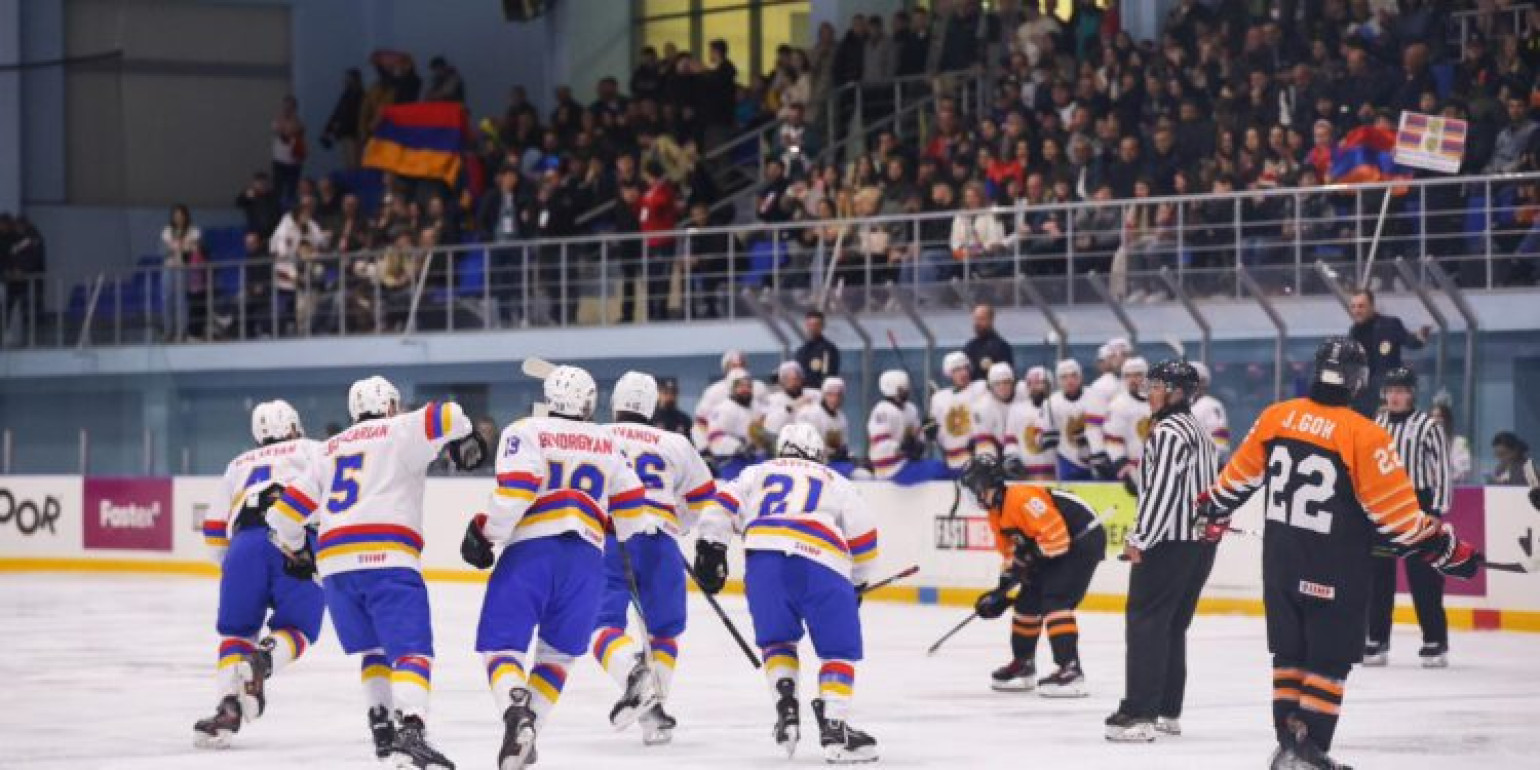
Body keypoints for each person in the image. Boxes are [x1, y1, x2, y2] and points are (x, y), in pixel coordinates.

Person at [1196, 338, 1479, 769]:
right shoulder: (1364, 434)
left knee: (1289, 656)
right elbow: (1398, 518)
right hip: (1333, 567)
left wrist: (1212, 508)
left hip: (1279, 565)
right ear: (1359, 380)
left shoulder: (1277, 416)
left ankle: (1289, 746)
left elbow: (1234, 480)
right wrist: (1445, 547)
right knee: (1327, 661)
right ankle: (1309, 752)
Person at [266, 376, 479, 768]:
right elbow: (447, 413)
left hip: (335, 567)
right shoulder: (400, 428)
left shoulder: (328, 448)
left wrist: (297, 549)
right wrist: (463, 436)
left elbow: (281, 514)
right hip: (388, 558)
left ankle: (381, 726)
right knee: (412, 651)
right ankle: (410, 730)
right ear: (391, 405)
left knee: (375, 648)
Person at [458, 365, 647, 769]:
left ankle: (516, 714)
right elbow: (632, 508)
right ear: (588, 402)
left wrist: (485, 532)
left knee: (501, 647)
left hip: (531, 553)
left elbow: (518, 490)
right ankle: (528, 735)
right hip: (586, 562)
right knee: (557, 657)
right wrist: (610, 525)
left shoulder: (526, 429)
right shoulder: (608, 442)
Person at [694, 423, 881, 763]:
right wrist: (857, 583)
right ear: (816, 453)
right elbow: (864, 538)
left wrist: (712, 550)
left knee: (778, 640)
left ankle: (787, 711)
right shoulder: (833, 479)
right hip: (820, 561)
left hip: (763, 561)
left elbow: (719, 505)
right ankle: (835, 729)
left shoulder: (757, 472)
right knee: (838, 648)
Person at [588, 372, 722, 745]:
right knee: (664, 630)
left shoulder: (596, 436)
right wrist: (675, 526)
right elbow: (703, 497)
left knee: (600, 624)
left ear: (615, 402)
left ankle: (634, 676)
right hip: (659, 542)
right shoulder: (675, 442)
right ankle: (654, 711)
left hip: (612, 539)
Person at [192, 401, 326, 749]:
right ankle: (263, 660)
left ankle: (229, 707)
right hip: (293, 540)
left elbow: (212, 531)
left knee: (237, 632)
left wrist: (235, 564)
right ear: (294, 426)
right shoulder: (312, 449)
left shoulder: (237, 464)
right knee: (299, 627)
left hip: (243, 545)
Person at [1105, 360, 1219, 742]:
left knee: (1146, 622)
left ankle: (1140, 713)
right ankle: (1168, 710)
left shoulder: (1168, 431)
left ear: (1176, 392)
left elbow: (1163, 493)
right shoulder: (1197, 429)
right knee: (1173, 626)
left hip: (1169, 543)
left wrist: (1141, 537)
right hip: (1198, 546)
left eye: (1157, 386)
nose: (1149, 392)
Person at [961, 455, 1105, 697]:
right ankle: (1023, 664)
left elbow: (1058, 539)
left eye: (973, 488)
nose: (972, 495)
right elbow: (1011, 556)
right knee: (1027, 601)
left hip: (1083, 540)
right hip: (1054, 548)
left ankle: (1070, 669)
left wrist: (1031, 556)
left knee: (1055, 599)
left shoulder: (1021, 498)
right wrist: (1000, 594)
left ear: (984, 485)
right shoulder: (996, 514)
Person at [1365, 367, 1452, 668]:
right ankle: (1376, 640)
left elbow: (1441, 471)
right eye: (1391, 391)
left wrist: (1436, 512)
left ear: (1412, 394)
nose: (1395, 396)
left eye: (1401, 391)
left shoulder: (1429, 426)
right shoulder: (1378, 423)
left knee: (1423, 578)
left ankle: (1434, 640)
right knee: (1379, 580)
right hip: (1383, 508)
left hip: (1417, 506)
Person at [1347, 290, 1429, 416]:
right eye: (1353, 307)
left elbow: (1409, 340)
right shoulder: (1353, 333)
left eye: (1361, 306)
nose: (1357, 310)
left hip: (1388, 396)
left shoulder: (1389, 324)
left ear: (1372, 306)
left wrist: (1420, 337)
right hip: (1362, 401)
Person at [1044, 359, 1111, 481]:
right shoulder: (1051, 403)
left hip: (1099, 459)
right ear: (1058, 381)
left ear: (1081, 377)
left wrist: (1100, 452)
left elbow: (1104, 429)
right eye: (1064, 377)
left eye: (1074, 375)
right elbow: (1046, 436)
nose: (1070, 381)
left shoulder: (1096, 397)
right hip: (1067, 460)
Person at [929, 351, 986, 473]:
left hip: (976, 460)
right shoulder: (939, 398)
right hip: (950, 461)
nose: (963, 373)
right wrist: (929, 429)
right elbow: (934, 431)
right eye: (957, 370)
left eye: (965, 368)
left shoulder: (980, 388)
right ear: (949, 373)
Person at [1102, 357, 1152, 496]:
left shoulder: (1161, 401)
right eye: (1128, 375)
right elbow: (1113, 442)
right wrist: (1126, 470)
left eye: (1138, 374)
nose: (1133, 380)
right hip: (1135, 470)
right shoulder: (1118, 405)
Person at [867, 369, 923, 481]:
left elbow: (919, 438)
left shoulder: (911, 409)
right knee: (937, 469)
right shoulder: (882, 411)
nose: (907, 391)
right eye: (902, 389)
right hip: (889, 468)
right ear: (891, 389)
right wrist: (903, 447)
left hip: (906, 464)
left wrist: (923, 439)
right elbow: (880, 444)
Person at [707, 368, 765, 478]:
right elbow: (715, 438)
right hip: (732, 462)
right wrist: (738, 447)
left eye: (748, 386)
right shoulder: (723, 409)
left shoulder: (756, 407)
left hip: (755, 460)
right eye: (741, 386)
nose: (746, 389)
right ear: (732, 388)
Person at [1004, 366, 1057, 482]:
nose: (1034, 387)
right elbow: (1011, 441)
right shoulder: (1016, 410)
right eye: (1030, 383)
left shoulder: (1058, 406)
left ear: (1049, 385)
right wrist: (1012, 458)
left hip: (1055, 475)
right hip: (1026, 475)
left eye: (1039, 383)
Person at [160, 204, 203, 342]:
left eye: (181, 215)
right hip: (169, 266)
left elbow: (192, 248)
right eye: (176, 215)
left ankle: (181, 332)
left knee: (181, 299)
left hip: (183, 266)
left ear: (185, 216)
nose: (178, 217)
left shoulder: (193, 230)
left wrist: (182, 246)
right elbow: (168, 247)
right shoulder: (167, 230)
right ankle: (168, 331)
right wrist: (182, 246)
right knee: (167, 298)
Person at [796, 377, 850, 463]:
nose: (834, 399)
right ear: (824, 395)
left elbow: (842, 444)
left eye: (838, 395)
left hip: (832, 464)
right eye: (830, 394)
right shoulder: (809, 413)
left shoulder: (841, 418)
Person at [969, 362, 1018, 458]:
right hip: (996, 450)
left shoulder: (1023, 396)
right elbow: (984, 443)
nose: (1002, 387)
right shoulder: (982, 407)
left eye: (1006, 382)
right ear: (990, 386)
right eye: (997, 384)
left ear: (1013, 383)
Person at [763, 361, 821, 438]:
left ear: (802, 379)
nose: (793, 383)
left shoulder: (815, 395)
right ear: (781, 382)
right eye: (788, 379)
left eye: (796, 379)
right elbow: (771, 426)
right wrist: (791, 407)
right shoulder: (773, 399)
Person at [1189, 362, 1232, 461]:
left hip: (1207, 466)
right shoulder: (1182, 407)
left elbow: (1221, 443)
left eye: (1195, 380)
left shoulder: (1212, 406)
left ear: (1204, 383)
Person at [1489, 432, 1540, 510]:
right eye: (1497, 454)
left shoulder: (1528, 468)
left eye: (1503, 454)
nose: (1500, 458)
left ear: (1515, 451)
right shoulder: (1500, 469)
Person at [963, 304, 1014, 379]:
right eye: (975, 319)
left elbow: (1006, 377)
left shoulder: (1001, 347)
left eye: (981, 319)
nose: (977, 323)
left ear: (991, 320)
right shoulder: (970, 346)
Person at [794, 310, 841, 389]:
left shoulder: (828, 349)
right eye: (810, 325)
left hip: (819, 392)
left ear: (822, 326)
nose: (813, 328)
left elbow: (828, 376)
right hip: (802, 394)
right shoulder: (801, 351)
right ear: (806, 326)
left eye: (816, 325)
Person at [1087, 339, 1134, 406]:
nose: (1122, 359)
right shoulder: (1100, 385)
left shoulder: (1138, 381)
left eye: (1125, 355)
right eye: (1113, 356)